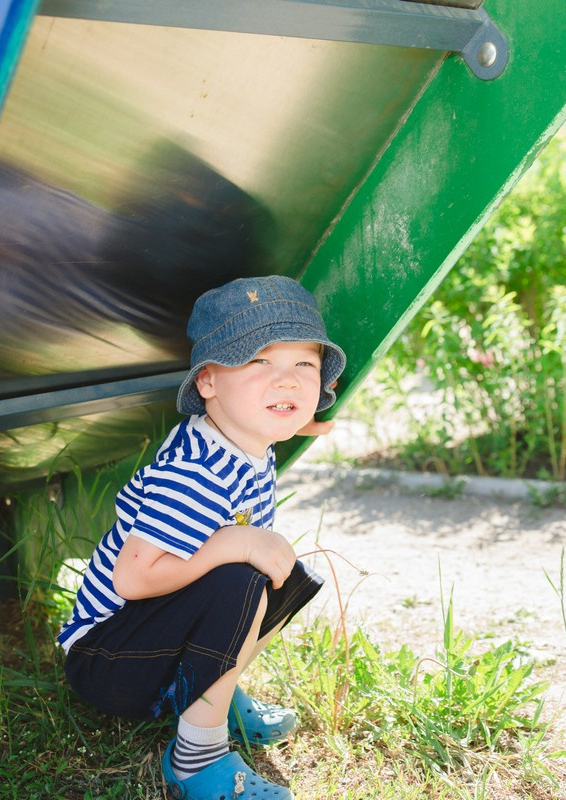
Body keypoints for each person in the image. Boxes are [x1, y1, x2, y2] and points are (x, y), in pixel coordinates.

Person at [58, 275, 346, 800]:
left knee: (285, 578)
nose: (285, 382)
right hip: (108, 661)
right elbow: (134, 576)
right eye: (259, 362)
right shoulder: (196, 472)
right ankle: (196, 757)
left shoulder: (244, 436)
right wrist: (236, 544)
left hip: (147, 638)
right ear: (208, 383)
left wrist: (286, 419)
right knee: (241, 575)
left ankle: (216, 689)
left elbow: (265, 406)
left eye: (303, 365)